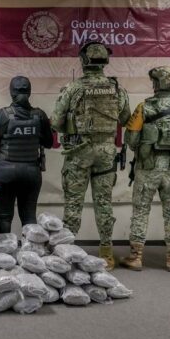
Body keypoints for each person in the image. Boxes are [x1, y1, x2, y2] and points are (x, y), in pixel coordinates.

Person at [51, 41, 130, 269]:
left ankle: (68, 253)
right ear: (105, 61)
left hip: (79, 152)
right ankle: (107, 253)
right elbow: (125, 119)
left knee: (74, 203)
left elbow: (56, 122)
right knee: (104, 203)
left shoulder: (74, 88)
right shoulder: (117, 89)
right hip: (106, 153)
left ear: (84, 61)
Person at [120, 67, 170, 272]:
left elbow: (131, 140)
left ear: (156, 84)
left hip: (148, 168)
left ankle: (136, 257)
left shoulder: (144, 108)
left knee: (141, 211)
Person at [0, 76, 53, 235]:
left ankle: (3, 250)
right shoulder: (40, 115)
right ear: (29, 92)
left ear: (11, 92)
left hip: (5, 172)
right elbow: (49, 143)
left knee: (4, 217)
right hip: (31, 172)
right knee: (29, 217)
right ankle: (31, 250)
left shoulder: (1, 114)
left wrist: (2, 159)